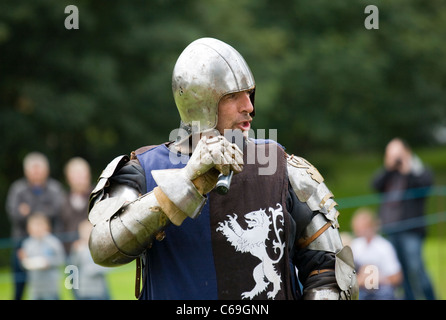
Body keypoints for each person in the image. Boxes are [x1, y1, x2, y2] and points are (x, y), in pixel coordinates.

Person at [87, 37, 358, 300]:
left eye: (249, 95)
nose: (249, 107)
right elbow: (102, 249)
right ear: (200, 102)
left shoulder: (282, 168)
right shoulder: (143, 170)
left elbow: (331, 272)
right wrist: (184, 184)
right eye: (233, 97)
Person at [371, 138, 436, 300]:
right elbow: (374, 185)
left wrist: (408, 169)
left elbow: (425, 186)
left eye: (397, 154)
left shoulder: (419, 170)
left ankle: (430, 297)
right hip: (391, 228)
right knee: (399, 270)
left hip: (411, 229)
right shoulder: (389, 174)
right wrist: (388, 168)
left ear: (407, 152)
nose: (396, 159)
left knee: (416, 269)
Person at [5, 151, 65, 300]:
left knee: (51, 284)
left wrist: (29, 212)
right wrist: (41, 213)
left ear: (46, 170)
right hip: (22, 244)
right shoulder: (17, 189)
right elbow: (13, 212)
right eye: (34, 169)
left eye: (40, 169)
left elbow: (59, 210)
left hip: (49, 242)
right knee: (19, 285)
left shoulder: (55, 188)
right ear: (27, 171)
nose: (37, 173)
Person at [350, 208, 402, 300]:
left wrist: (377, 279)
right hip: (361, 290)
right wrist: (361, 279)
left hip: (381, 290)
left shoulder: (384, 247)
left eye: (363, 227)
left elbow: (396, 277)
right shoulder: (355, 245)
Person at [18, 213, 65, 300]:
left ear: (47, 227)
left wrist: (48, 263)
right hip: (35, 289)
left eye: (40, 225)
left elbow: (61, 260)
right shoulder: (27, 244)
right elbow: (24, 265)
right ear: (29, 228)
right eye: (35, 226)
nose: (37, 229)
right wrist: (23, 260)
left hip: (51, 288)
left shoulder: (53, 242)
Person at [69, 219, 110, 300]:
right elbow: (73, 267)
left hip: (98, 290)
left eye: (89, 231)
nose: (86, 234)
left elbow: (106, 266)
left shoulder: (99, 247)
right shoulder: (78, 248)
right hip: (83, 290)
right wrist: (77, 252)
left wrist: (93, 269)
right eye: (84, 232)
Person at [61, 157, 93, 254]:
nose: (79, 178)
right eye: (75, 175)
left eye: (82, 174)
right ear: (68, 178)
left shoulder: (100, 196)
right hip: (71, 253)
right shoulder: (62, 201)